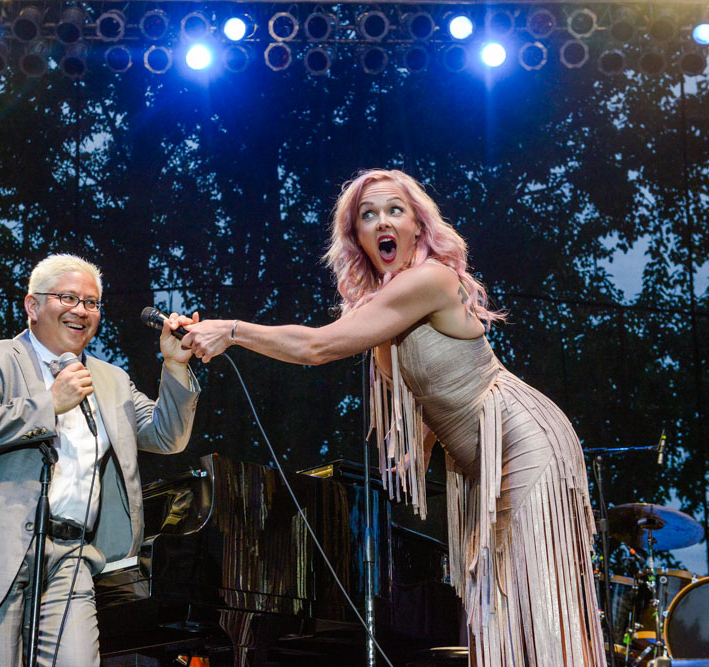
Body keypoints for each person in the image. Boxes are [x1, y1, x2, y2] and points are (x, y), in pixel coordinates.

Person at [182, 169, 606, 666]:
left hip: (521, 440)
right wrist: (420, 449)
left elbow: (316, 347)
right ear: (356, 236)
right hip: (479, 462)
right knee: (499, 613)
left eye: (394, 210)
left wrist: (232, 330)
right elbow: (433, 388)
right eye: (368, 215)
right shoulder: (384, 306)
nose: (382, 222)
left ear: (418, 226)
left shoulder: (429, 279)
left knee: (532, 603)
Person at [0, 254, 201, 666]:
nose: (81, 311)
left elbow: (167, 435)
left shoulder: (112, 380)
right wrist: (48, 404)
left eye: (91, 303)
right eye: (68, 297)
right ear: (32, 306)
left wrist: (174, 365)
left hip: (72, 557)